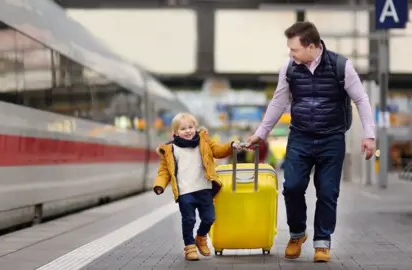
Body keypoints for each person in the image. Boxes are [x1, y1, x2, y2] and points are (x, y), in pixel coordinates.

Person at [245, 22, 375, 263]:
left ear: (312, 46)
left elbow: (361, 99)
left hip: (332, 138)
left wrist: (369, 135)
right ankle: (297, 234)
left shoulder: (341, 66)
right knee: (292, 187)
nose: (290, 53)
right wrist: (260, 133)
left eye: (294, 49)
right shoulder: (289, 68)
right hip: (300, 137)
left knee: (328, 193)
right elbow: (278, 102)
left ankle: (322, 242)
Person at [153, 112, 242, 261]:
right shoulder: (171, 150)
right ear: (175, 133)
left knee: (209, 218)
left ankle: (201, 237)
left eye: (190, 127)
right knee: (188, 220)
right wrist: (159, 185)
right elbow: (164, 171)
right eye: (183, 129)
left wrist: (231, 145)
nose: (188, 131)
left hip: (204, 189)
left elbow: (218, 151)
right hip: (185, 192)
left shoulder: (205, 141)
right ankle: (189, 248)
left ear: (195, 127)